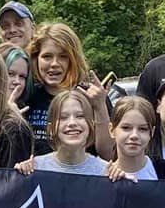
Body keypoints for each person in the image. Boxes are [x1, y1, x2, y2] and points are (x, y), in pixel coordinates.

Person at [21, 22, 109, 155]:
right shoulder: (27, 96)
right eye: (47, 56)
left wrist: (100, 107)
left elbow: (108, 154)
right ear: (35, 58)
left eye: (63, 57)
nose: (54, 64)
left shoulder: (92, 96)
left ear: (73, 60)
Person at [26, 89, 110, 177]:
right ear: (50, 128)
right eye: (63, 117)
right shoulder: (35, 168)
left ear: (91, 124)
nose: (72, 123)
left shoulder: (105, 172)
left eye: (80, 116)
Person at [107, 98, 165, 180]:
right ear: (112, 130)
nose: (134, 135)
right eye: (126, 128)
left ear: (152, 133)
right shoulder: (103, 175)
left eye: (143, 129)